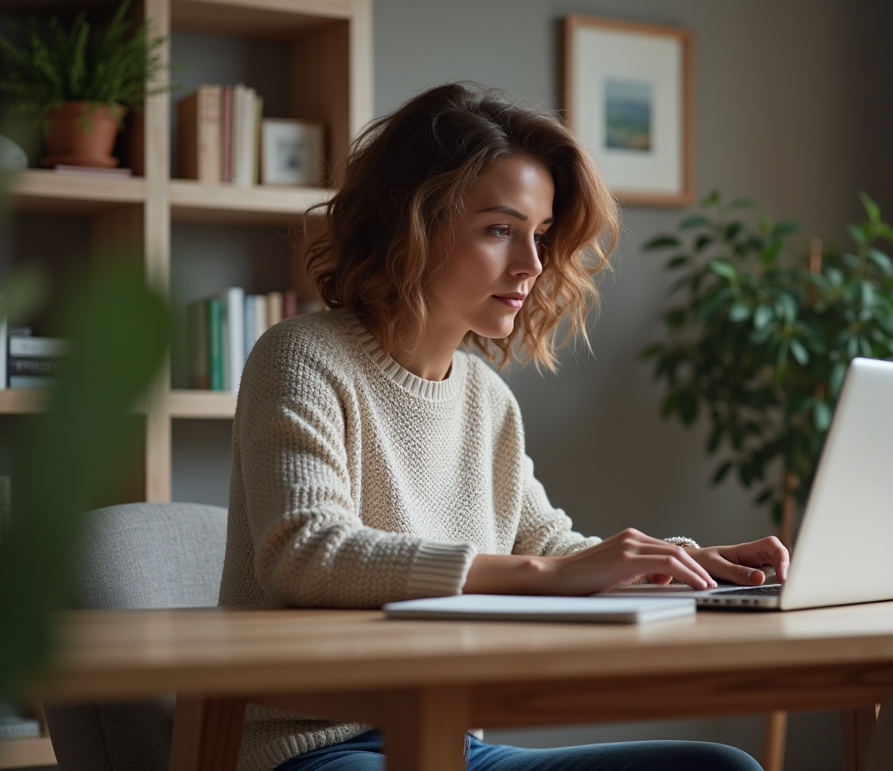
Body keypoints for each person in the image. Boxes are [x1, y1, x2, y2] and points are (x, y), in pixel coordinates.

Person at [220, 82, 790, 771]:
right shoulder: (303, 355)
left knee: (720, 769)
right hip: (312, 749)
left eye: (541, 235)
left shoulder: (487, 399)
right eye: (499, 229)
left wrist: (694, 565)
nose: (531, 265)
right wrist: (547, 571)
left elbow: (552, 547)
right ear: (415, 223)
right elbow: (304, 555)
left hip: (455, 746)